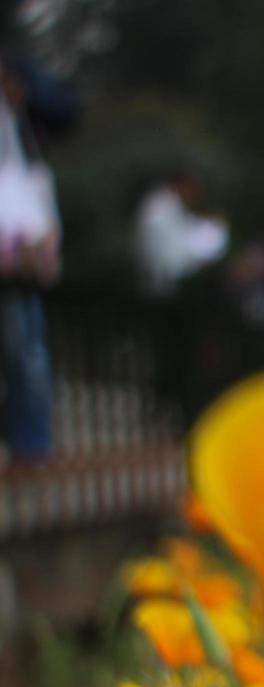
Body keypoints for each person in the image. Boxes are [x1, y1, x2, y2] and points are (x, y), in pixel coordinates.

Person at [0, 53, 63, 462]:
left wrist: (44, 241)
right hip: (12, 268)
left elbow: (29, 196)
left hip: (22, 272)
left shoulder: (22, 134)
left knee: (28, 359)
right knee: (25, 359)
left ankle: (32, 449)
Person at [134, 169, 228, 298]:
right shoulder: (161, 207)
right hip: (161, 277)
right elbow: (167, 252)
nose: (194, 197)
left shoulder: (169, 205)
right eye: (192, 191)